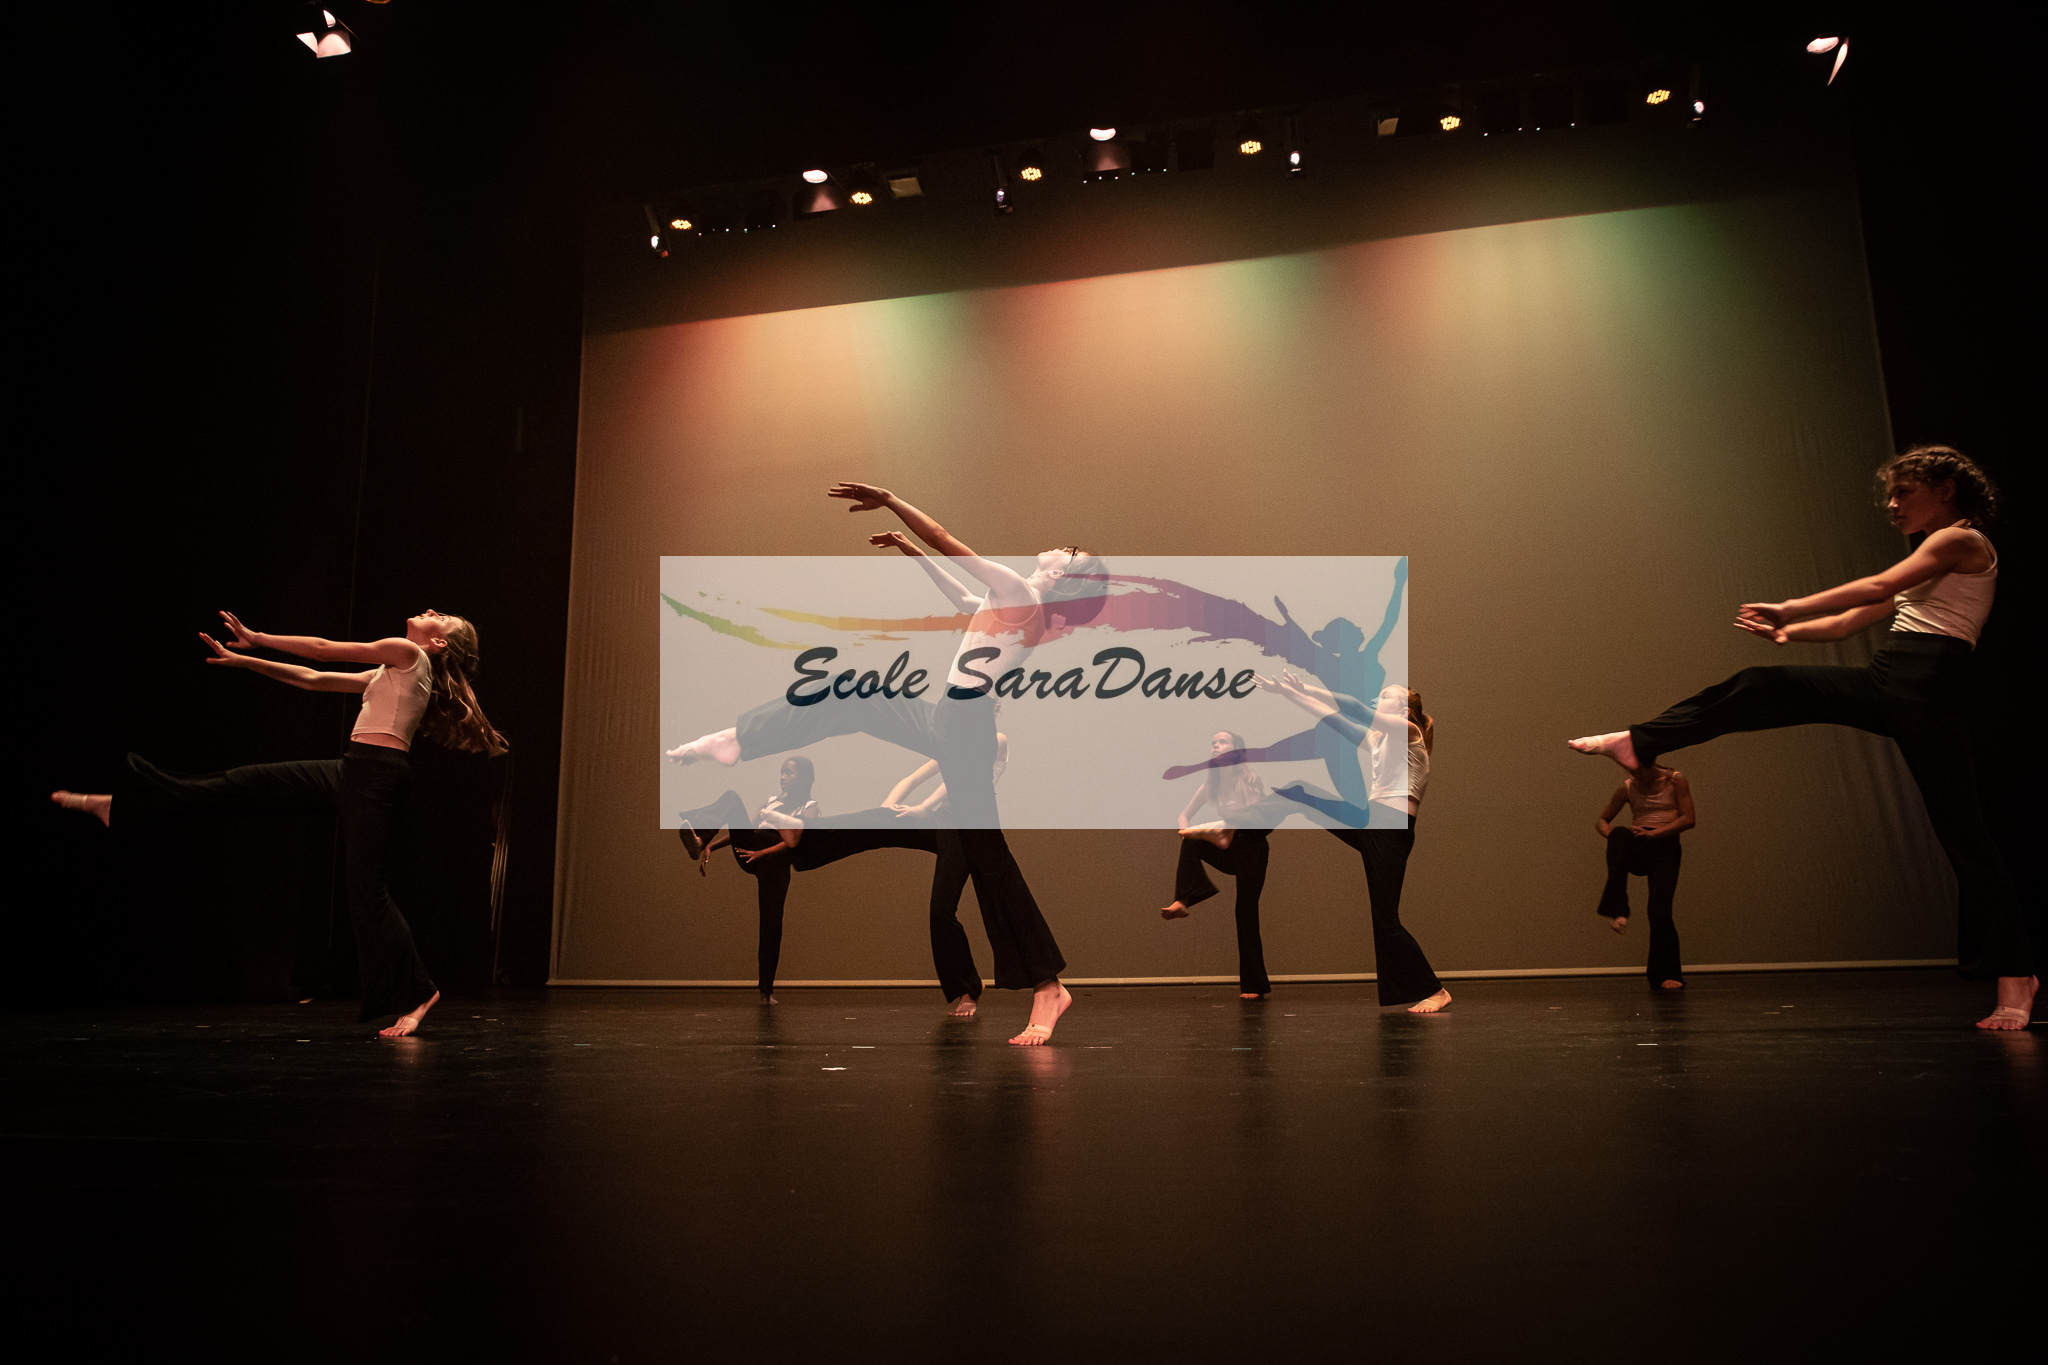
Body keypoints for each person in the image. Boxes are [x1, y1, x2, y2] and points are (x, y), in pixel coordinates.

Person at [1567, 446, 2034, 1030]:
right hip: (1888, 681)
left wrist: (1789, 609)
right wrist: (1794, 633)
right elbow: (1848, 623)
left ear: (1945, 490)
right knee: (1762, 685)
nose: (1891, 505)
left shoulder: (1960, 541)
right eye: (1889, 494)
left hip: (1931, 695)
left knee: (1965, 838)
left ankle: (2018, 977)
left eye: (1903, 492)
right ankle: (1640, 741)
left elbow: (1876, 585)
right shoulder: (1930, 556)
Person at [667, 486, 1095, 1044]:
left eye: (1072, 553)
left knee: (988, 856)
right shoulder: (1014, 599)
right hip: (952, 720)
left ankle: (1048, 986)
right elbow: (962, 595)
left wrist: (893, 501)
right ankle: (737, 741)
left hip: (963, 729)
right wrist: (910, 552)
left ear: (1064, 577)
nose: (1062, 547)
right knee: (858, 699)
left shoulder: (1020, 593)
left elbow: (946, 540)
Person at [50, 609, 507, 1037]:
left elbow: (323, 650)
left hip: (377, 779)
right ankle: (121, 806)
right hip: (353, 770)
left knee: (366, 894)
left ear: (440, 642)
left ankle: (420, 992)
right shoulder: (394, 670)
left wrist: (257, 638)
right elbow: (312, 679)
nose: (430, 611)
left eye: (440, 617)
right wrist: (246, 662)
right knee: (236, 785)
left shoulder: (406, 654)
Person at [1260, 674, 1453, 1014]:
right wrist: (1289, 692)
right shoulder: (1379, 740)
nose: (1378, 699)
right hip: (1370, 821)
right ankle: (1233, 830)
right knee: (1300, 792)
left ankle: (1436, 991)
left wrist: (1306, 687)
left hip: (1390, 830)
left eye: (1386, 696)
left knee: (1386, 920)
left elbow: (1355, 708)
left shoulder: (1410, 733)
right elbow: (1331, 716)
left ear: (1404, 711)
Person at [1160, 731, 1275, 1000]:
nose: (1216, 745)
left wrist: (1223, 831)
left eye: (1222, 742)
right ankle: (1183, 901)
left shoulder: (1249, 780)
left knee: (1245, 912)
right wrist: (1185, 831)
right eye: (1213, 743)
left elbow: (1254, 818)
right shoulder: (1211, 785)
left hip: (1252, 848)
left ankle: (1254, 985)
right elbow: (1184, 815)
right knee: (1192, 841)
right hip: (1227, 847)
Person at [1592, 764, 1696, 990]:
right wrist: (1612, 837)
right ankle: (1618, 909)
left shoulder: (1675, 780)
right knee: (1620, 833)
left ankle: (1666, 974)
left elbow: (1688, 819)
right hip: (1639, 845)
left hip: (1664, 847)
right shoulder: (1628, 788)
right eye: (1632, 772)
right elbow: (1602, 820)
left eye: (1639, 771)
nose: (1636, 776)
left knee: (1659, 911)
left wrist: (1654, 834)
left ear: (1651, 765)